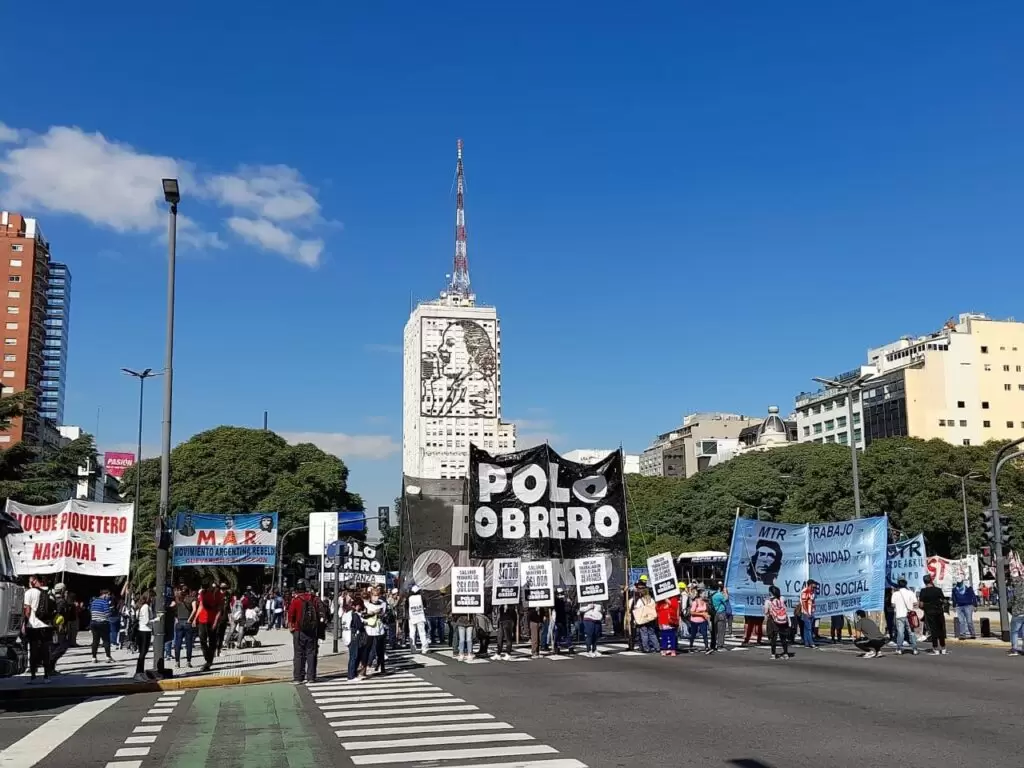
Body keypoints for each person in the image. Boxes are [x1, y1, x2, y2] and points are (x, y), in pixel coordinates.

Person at [287, 579, 325, 683]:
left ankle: (298, 677)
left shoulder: (296, 600)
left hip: (299, 631)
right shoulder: (313, 599)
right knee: (311, 653)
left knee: (299, 654)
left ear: (297, 590)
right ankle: (311, 677)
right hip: (312, 631)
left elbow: (291, 615)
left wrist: (291, 628)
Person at [23, 574, 55, 683]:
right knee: (46, 651)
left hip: (33, 625)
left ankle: (33, 676)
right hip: (46, 625)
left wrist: (26, 622)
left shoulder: (29, 593)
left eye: (29, 580)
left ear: (34, 581)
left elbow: (27, 611)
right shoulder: (47, 593)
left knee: (33, 650)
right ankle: (46, 676)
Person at [193, 580, 224, 672]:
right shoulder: (203, 593)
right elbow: (201, 606)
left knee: (212, 641)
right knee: (202, 639)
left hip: (212, 620)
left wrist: (215, 622)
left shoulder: (218, 595)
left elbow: (219, 610)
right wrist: (195, 618)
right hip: (202, 619)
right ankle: (207, 658)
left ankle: (209, 662)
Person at [918, 574, 948, 655]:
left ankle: (935, 648)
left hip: (929, 612)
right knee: (941, 629)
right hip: (939, 611)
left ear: (924, 582)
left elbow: (920, 604)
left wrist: (925, 608)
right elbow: (944, 601)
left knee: (933, 630)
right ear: (931, 580)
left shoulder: (923, 591)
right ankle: (943, 647)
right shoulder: (938, 590)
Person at [891, 578, 920, 655]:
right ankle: (915, 649)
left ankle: (899, 649)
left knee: (900, 633)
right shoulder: (910, 593)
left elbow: (893, 605)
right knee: (911, 632)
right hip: (909, 615)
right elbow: (915, 603)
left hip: (899, 615)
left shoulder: (895, 594)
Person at [763, 585, 791, 659]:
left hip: (773, 621)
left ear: (770, 592)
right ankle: (785, 653)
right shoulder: (782, 598)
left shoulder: (768, 601)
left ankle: (773, 654)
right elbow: (785, 607)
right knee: (783, 638)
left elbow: (766, 612)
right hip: (783, 620)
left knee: (773, 638)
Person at [172, 587, 197, 668]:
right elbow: (194, 609)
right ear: (188, 591)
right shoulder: (192, 599)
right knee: (188, 643)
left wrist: (176, 618)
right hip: (187, 622)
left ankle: (177, 662)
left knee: (177, 643)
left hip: (179, 622)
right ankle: (188, 662)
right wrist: (190, 619)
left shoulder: (177, 599)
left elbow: (172, 608)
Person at [631, 582, 658, 654]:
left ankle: (646, 648)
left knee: (644, 634)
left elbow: (637, 608)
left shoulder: (641, 600)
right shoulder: (651, 600)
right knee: (652, 633)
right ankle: (657, 647)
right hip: (651, 618)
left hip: (643, 618)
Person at [343, 597, 366, 682]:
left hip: (347, 636)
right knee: (354, 656)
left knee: (353, 656)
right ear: (357, 606)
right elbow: (359, 626)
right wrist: (364, 623)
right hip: (354, 637)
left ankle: (353, 674)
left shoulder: (346, 614)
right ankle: (351, 675)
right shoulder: (354, 614)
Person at [89, 589, 114, 663]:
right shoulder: (104, 602)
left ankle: (93, 657)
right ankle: (108, 657)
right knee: (106, 640)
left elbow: (91, 611)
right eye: (108, 595)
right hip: (103, 623)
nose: (109, 597)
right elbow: (107, 614)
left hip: (94, 622)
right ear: (105, 594)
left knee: (95, 640)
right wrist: (110, 610)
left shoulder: (94, 602)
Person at [656, 587, 681, 657]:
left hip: (671, 620)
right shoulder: (660, 602)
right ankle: (664, 649)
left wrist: (667, 600)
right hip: (663, 621)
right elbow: (657, 610)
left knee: (672, 636)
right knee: (664, 637)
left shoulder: (673, 599)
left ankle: (673, 650)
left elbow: (675, 607)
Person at [135, 593, 153, 674]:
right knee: (143, 652)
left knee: (142, 652)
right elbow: (146, 621)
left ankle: (140, 670)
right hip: (145, 631)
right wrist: (156, 619)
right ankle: (139, 671)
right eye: (152, 597)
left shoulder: (140, 606)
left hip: (141, 630)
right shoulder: (146, 607)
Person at [799, 580, 818, 649]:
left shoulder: (813, 592)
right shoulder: (805, 591)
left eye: (815, 587)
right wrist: (807, 612)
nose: (814, 588)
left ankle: (806, 643)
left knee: (807, 628)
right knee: (809, 628)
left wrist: (813, 610)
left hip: (812, 611)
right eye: (813, 587)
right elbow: (803, 603)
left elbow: (813, 601)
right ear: (809, 585)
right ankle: (811, 643)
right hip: (806, 612)